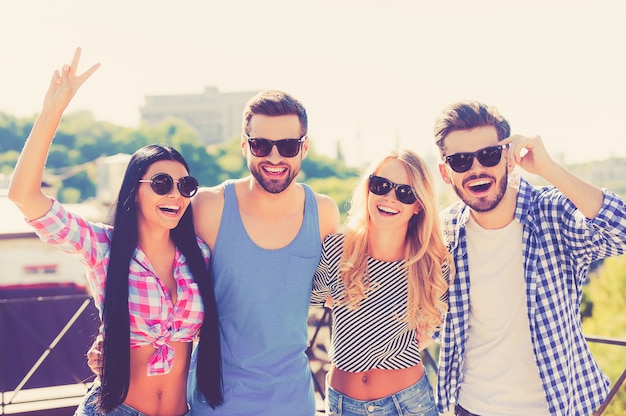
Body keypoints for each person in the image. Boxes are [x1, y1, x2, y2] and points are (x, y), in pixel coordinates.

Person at [8, 48, 223, 415]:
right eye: (160, 183)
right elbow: (24, 196)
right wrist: (52, 112)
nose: (175, 194)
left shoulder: (200, 255)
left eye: (185, 185)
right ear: (134, 191)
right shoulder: (103, 247)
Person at [433, 100, 626, 416]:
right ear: (445, 172)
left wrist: (548, 169)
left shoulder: (552, 213)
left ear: (509, 160)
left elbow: (622, 231)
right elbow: (435, 321)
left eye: (489, 155)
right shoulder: (445, 231)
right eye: (461, 161)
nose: (476, 169)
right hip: (470, 408)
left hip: (557, 408)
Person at [186, 90, 341, 415]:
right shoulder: (208, 207)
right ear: (245, 145)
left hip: (293, 400)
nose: (274, 158)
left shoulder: (324, 214)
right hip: (215, 400)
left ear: (304, 147)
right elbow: (161, 278)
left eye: (287, 146)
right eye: (260, 145)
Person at [310, 149, 451, 416]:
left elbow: (450, 321)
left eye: (405, 193)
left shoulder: (430, 262)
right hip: (343, 405)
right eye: (381, 186)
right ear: (368, 189)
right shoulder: (336, 248)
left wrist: (430, 331)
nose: (389, 198)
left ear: (418, 205)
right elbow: (309, 299)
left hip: (409, 403)